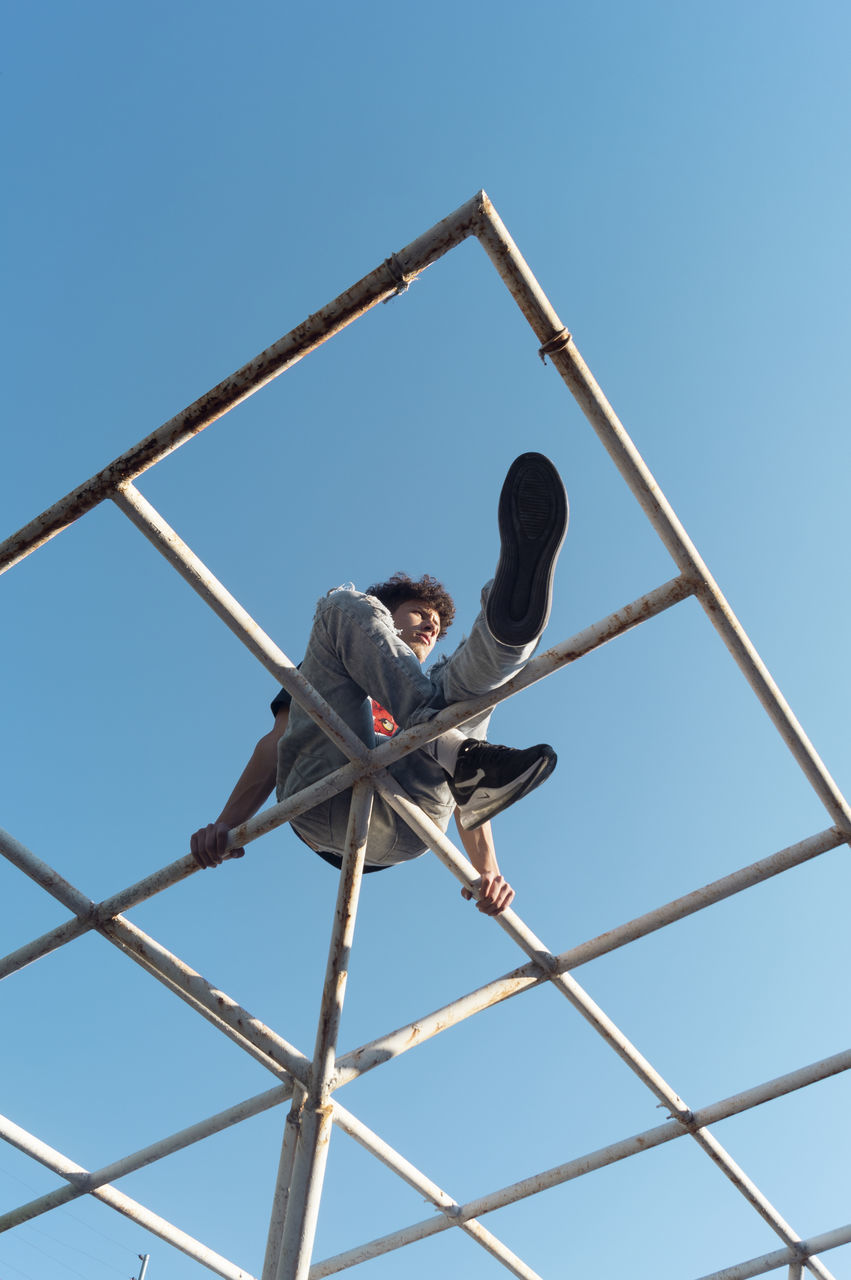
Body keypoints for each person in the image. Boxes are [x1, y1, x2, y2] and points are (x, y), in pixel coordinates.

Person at [190, 452, 568, 916]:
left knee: (461, 694)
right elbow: (277, 744)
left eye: (435, 623)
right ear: (387, 618)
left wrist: (488, 870)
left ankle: (508, 630)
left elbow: (475, 791)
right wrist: (226, 825)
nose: (430, 626)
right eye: (418, 615)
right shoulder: (328, 665)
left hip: (411, 819)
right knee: (338, 609)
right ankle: (472, 708)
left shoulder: (441, 686)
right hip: (320, 797)